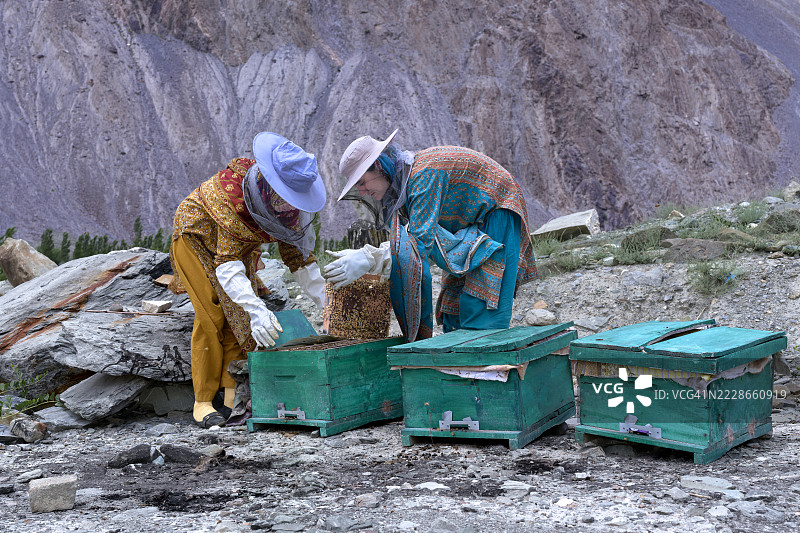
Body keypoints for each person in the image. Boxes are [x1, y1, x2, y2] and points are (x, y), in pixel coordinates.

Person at [168, 132, 326, 427]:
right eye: (285, 198)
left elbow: (300, 261)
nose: (289, 207)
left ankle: (231, 397)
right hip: (196, 237)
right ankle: (202, 401)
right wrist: (257, 310)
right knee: (212, 315)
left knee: (238, 317)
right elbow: (227, 265)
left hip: (237, 249)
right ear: (269, 186)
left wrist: (328, 304)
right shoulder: (233, 200)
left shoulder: (288, 208)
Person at [324, 129, 537, 342]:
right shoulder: (406, 186)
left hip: (497, 212)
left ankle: (482, 368)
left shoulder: (424, 175)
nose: (362, 192)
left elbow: (418, 243)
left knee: (480, 304)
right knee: (454, 305)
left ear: (380, 167)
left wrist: (371, 258)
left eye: (362, 182)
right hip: (467, 225)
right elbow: (411, 240)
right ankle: (457, 369)